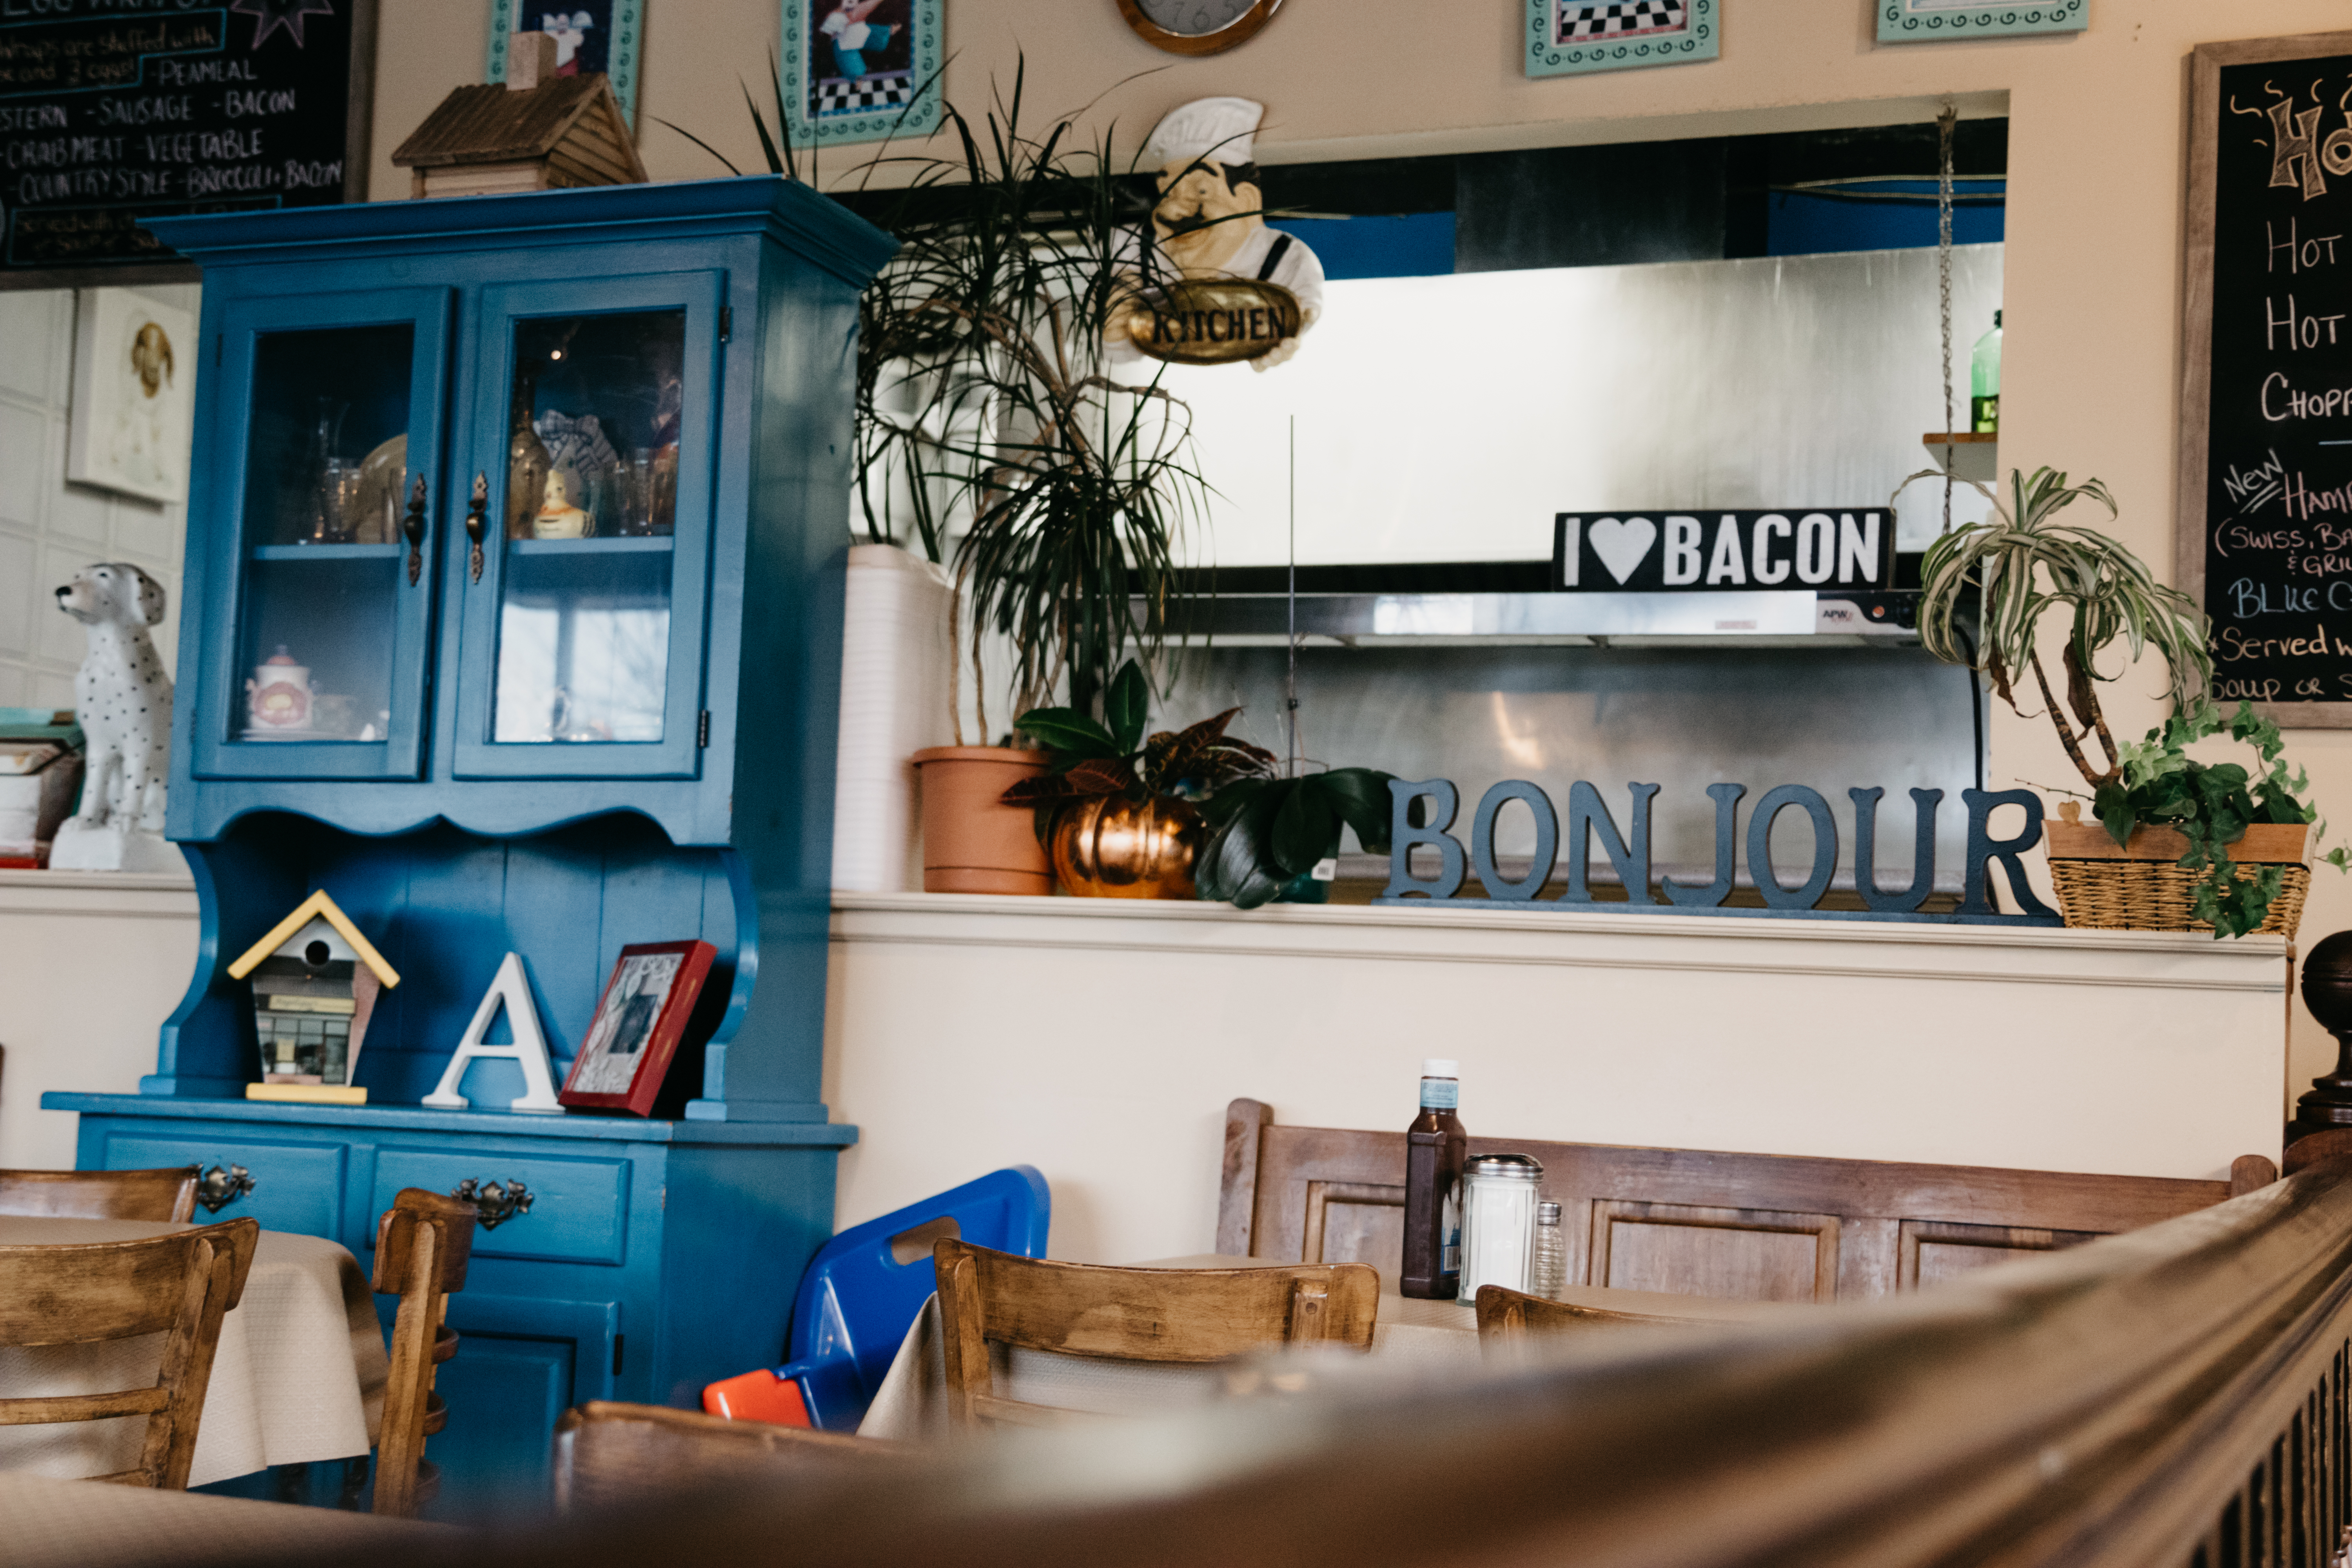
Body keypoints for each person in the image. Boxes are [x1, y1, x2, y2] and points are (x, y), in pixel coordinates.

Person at [1110, 97, 1327, 372]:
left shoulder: (1285, 259)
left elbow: (1302, 316)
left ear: (1246, 201)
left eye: (1201, 191)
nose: (1175, 209)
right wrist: (1113, 337)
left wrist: (1285, 339)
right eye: (1169, 193)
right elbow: (1100, 348)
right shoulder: (1127, 250)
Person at [819, 0, 893, 81]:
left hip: (858, 33)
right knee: (856, 70)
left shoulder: (857, 14)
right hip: (843, 45)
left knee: (880, 37)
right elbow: (827, 34)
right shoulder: (835, 18)